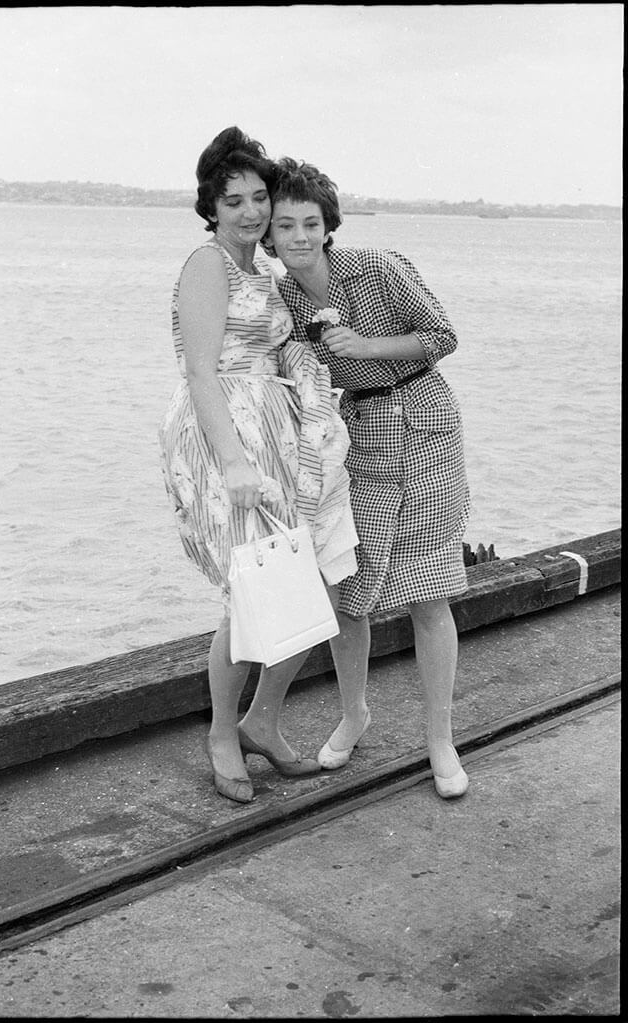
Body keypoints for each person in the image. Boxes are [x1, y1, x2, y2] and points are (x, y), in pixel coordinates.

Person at [158, 129, 358, 804]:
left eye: (259, 197)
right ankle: (222, 731)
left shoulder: (263, 270)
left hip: (275, 433)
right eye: (234, 199)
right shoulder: (208, 264)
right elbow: (201, 372)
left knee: (313, 579)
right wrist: (236, 463)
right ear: (210, 207)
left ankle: (262, 720)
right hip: (226, 439)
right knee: (249, 591)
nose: (250, 211)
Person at [263, 158, 471, 798]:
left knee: (427, 593)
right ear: (268, 235)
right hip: (355, 437)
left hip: (426, 422)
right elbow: (276, 356)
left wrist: (366, 346)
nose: (298, 236)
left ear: (329, 226)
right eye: (285, 225)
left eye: (310, 223)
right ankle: (354, 713)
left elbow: (443, 335)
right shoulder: (284, 296)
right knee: (346, 593)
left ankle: (440, 740)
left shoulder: (378, 267)